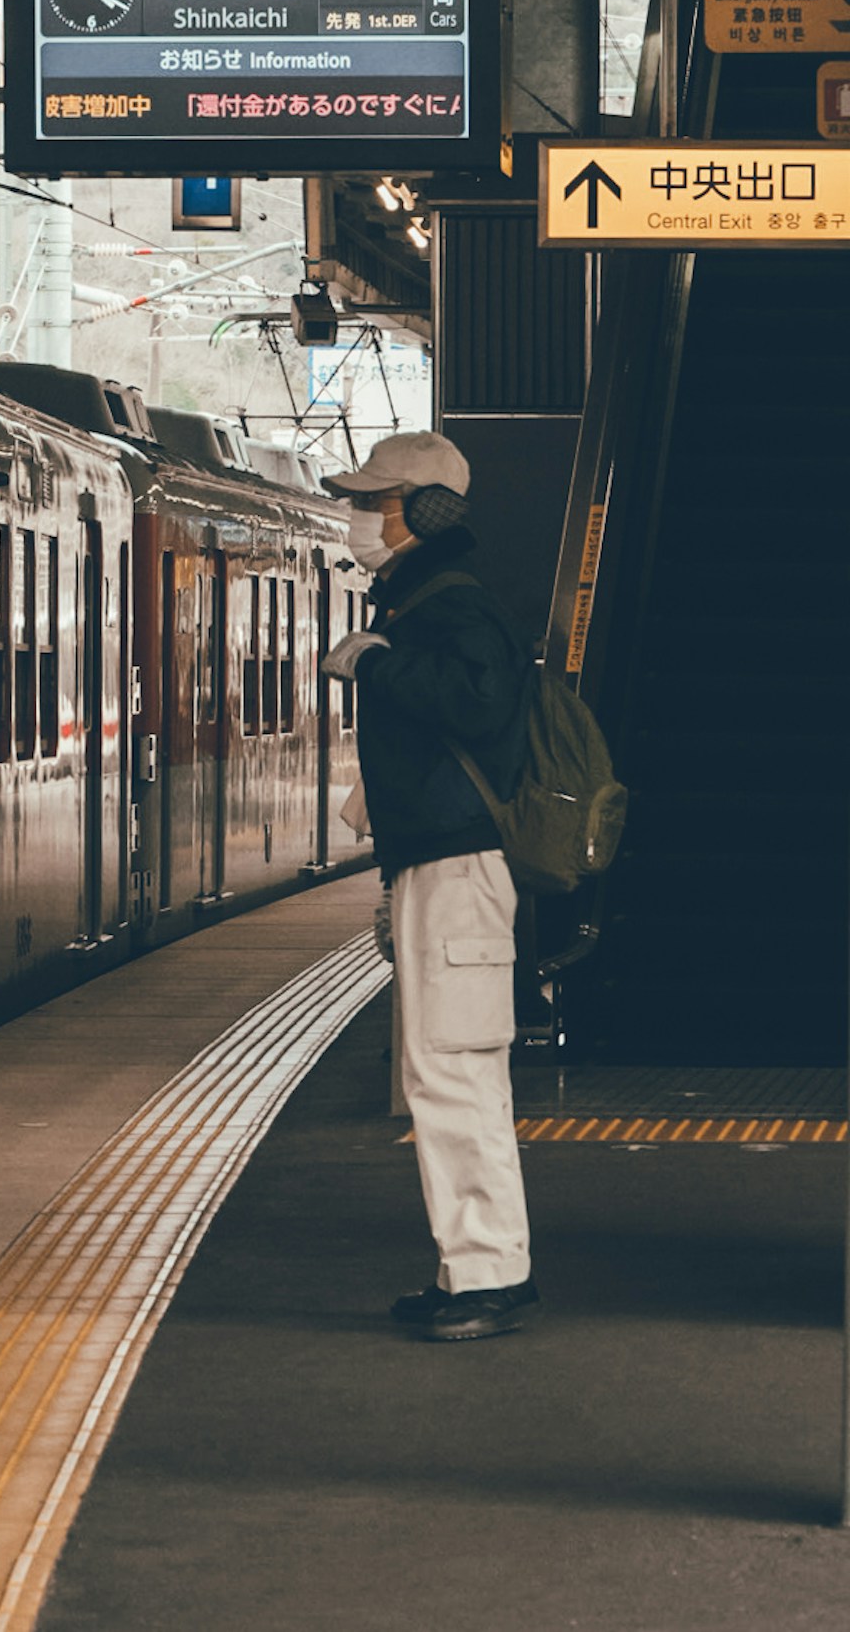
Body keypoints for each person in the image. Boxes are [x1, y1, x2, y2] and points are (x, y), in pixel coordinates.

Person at [322, 431, 535, 1342]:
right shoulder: (427, 603)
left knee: (454, 1067)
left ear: (429, 510)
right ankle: (470, 1266)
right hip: (436, 864)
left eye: (378, 501)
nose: (363, 517)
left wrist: (374, 661)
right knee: (443, 1066)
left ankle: (487, 1272)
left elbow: (481, 705)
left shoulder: (454, 608)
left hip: (458, 869)